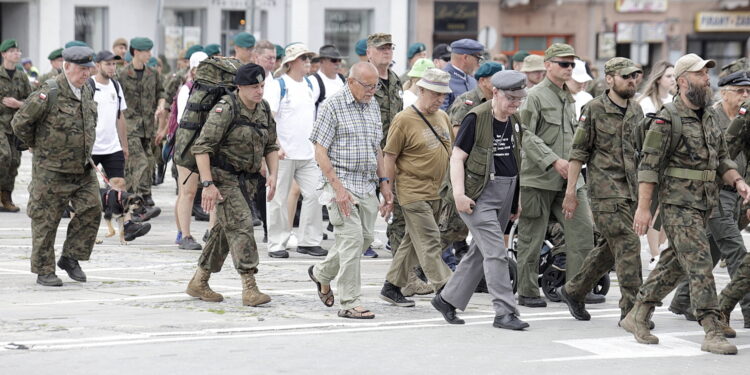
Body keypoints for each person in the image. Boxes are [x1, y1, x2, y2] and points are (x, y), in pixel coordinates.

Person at [624, 53, 746, 355]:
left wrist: (737, 180)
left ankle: (638, 313)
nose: (707, 80)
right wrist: (643, 208)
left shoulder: (708, 117)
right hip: (678, 204)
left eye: (707, 74)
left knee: (674, 263)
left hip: (705, 203)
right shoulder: (668, 118)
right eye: (701, 75)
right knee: (701, 263)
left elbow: (722, 159)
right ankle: (712, 328)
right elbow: (648, 167)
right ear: (682, 81)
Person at [432, 70, 528, 330]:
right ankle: (504, 312)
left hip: (506, 192)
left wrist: (516, 199)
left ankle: (447, 299)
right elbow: (456, 158)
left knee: (479, 252)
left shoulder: (514, 120)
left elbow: (514, 162)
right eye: (511, 98)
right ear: (495, 93)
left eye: (519, 99)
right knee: (496, 253)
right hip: (479, 196)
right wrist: (459, 194)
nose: (515, 104)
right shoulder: (475, 118)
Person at [557, 57, 644, 322]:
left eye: (634, 76)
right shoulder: (593, 109)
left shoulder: (636, 110)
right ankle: (631, 311)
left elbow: (641, 153)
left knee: (611, 247)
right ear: (610, 79)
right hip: (605, 192)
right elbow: (578, 153)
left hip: (631, 191)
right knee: (629, 244)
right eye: (625, 76)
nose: (631, 81)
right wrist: (571, 192)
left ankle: (574, 290)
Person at [185, 63, 279, 307]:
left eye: (261, 86)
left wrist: (273, 174)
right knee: (242, 225)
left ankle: (199, 281)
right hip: (222, 177)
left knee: (223, 233)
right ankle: (250, 287)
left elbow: (270, 145)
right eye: (254, 87)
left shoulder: (263, 109)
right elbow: (202, 147)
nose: (259, 91)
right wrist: (207, 184)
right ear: (240, 87)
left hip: (246, 180)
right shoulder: (226, 108)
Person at [308, 62, 392, 319]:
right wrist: (338, 188)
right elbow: (320, 151)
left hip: (366, 183)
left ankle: (321, 273)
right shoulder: (332, 106)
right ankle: (349, 302)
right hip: (340, 182)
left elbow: (376, 148)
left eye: (376, 86)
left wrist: (385, 183)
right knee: (352, 238)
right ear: (351, 82)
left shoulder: (373, 105)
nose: (372, 91)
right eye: (367, 86)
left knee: (364, 238)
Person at [11, 46, 101, 286]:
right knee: (46, 220)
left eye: (89, 69)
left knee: (92, 209)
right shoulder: (49, 91)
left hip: (82, 168)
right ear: (67, 66)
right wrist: (36, 145)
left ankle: (71, 257)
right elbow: (20, 122)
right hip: (51, 171)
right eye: (82, 69)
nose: (86, 74)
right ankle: (44, 270)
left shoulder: (88, 90)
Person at [515, 43, 596, 308]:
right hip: (537, 178)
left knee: (583, 233)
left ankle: (576, 289)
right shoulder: (535, 96)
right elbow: (523, 133)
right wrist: (552, 160)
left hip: (570, 179)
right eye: (564, 63)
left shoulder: (568, 97)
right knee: (531, 237)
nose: (569, 68)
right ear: (548, 65)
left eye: (572, 64)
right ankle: (527, 290)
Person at [379, 68, 454, 307]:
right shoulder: (404, 119)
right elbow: (389, 156)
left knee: (412, 241)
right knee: (430, 239)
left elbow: (450, 152)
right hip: (412, 191)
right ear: (420, 90)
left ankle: (391, 287)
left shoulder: (442, 117)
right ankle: (447, 289)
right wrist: (387, 190)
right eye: (435, 94)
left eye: (443, 95)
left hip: (437, 192)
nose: (440, 99)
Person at [263, 43, 326, 258]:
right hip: (284, 152)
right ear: (290, 63)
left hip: (308, 152)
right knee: (278, 198)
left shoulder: (310, 84)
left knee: (316, 194)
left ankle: (309, 240)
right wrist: (276, 144)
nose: (308, 61)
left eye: (309, 57)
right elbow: (268, 118)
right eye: (303, 58)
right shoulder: (278, 85)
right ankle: (277, 243)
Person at [710, 71, 750, 330]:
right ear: (724, 92)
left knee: (709, 250)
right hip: (715, 193)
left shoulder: (746, 120)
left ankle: (683, 302)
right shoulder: (710, 118)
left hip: (740, 194)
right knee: (737, 252)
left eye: (748, 91)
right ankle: (749, 311)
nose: (745, 96)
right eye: (739, 91)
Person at [118, 37, 166, 214]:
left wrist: (161, 105)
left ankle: (135, 198)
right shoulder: (122, 75)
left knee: (147, 162)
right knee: (140, 162)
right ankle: (138, 202)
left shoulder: (153, 74)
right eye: (146, 51)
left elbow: (161, 92)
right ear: (136, 52)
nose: (149, 54)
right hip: (130, 126)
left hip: (148, 127)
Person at [367, 33, 404, 258]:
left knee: (394, 197)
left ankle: (394, 239)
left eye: (389, 48)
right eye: (381, 48)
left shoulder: (396, 79)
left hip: (393, 151)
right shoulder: (363, 78)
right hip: (370, 148)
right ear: (369, 52)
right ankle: (365, 239)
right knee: (367, 198)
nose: (386, 52)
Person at [636, 61, 675, 269]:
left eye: (674, 76)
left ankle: (661, 247)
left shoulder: (673, 101)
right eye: (669, 76)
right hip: (651, 162)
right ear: (659, 78)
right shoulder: (646, 104)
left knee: (667, 209)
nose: (672, 80)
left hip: (671, 163)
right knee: (653, 208)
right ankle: (654, 254)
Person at [174, 51, 209, 250]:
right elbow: (183, 122)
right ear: (193, 70)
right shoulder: (186, 91)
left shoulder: (213, 90)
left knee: (212, 188)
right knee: (187, 191)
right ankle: (184, 234)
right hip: (188, 146)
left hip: (205, 146)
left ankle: (211, 231)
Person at [0, 39, 32, 212]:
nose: (17, 53)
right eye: (12, 50)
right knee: (3, 156)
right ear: (4, 54)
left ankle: (6, 197)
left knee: (14, 161)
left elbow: (31, 99)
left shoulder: (22, 76)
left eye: (18, 50)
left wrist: (17, 104)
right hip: (0, 124)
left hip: (16, 126)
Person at [441, 38, 484, 110]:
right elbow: (441, 116)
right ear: (465, 58)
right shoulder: (442, 79)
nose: (478, 64)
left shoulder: (472, 80)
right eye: (477, 59)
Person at [311, 44, 345, 110]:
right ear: (321, 61)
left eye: (339, 60)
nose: (337, 63)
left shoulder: (343, 80)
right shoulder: (313, 82)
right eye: (334, 60)